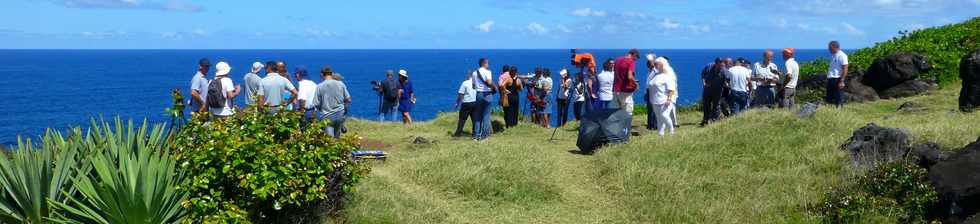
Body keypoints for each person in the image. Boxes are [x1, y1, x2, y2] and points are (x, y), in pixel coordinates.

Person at [311, 66, 351, 139]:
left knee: (330, 140)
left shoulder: (320, 86)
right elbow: (348, 99)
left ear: (322, 74)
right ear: (332, 74)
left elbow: (315, 104)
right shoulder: (340, 84)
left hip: (327, 115)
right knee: (337, 138)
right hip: (340, 114)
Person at [648, 57, 677, 136]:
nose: (655, 65)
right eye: (655, 64)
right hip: (654, 100)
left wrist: (669, 99)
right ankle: (661, 133)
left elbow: (671, 89)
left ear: (662, 65)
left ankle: (671, 131)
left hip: (664, 100)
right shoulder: (655, 75)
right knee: (658, 118)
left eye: (657, 64)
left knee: (664, 115)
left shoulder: (667, 76)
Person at [471, 58, 495, 141]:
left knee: (478, 116)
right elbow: (489, 82)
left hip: (479, 94)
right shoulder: (488, 72)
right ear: (484, 63)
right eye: (487, 63)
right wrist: (494, 86)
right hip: (487, 94)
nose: (488, 64)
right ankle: (484, 137)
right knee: (486, 115)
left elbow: (473, 86)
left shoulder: (474, 73)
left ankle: (475, 136)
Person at [613, 49, 640, 116]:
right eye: (636, 58)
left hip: (616, 90)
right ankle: (626, 126)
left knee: (617, 111)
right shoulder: (630, 62)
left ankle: (618, 126)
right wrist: (636, 84)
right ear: (634, 55)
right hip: (625, 90)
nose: (635, 60)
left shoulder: (617, 60)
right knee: (628, 111)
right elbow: (630, 77)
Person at [700, 58, 726, 126]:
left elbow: (727, 80)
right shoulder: (709, 66)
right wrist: (704, 83)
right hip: (707, 90)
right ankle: (705, 120)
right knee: (706, 105)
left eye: (721, 65)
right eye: (719, 65)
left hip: (717, 91)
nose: (720, 67)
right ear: (715, 63)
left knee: (716, 105)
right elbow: (702, 75)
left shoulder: (723, 70)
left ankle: (715, 120)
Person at [454, 71, 477, 136]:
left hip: (466, 103)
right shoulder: (476, 83)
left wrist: (457, 103)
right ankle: (475, 133)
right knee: (475, 119)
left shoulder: (465, 83)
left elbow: (461, 94)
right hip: (475, 103)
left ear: (469, 76)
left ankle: (458, 133)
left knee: (462, 119)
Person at [827, 41, 849, 107]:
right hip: (831, 78)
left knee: (838, 96)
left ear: (834, 47)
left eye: (830, 48)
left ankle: (840, 110)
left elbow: (845, 68)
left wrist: (842, 81)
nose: (829, 50)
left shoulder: (842, 55)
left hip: (837, 78)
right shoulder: (834, 55)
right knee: (831, 96)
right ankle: (833, 110)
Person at [644, 53, 659, 130]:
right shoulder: (650, 71)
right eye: (648, 62)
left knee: (653, 108)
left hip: (653, 91)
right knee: (649, 109)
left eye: (649, 62)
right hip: (648, 91)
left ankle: (654, 125)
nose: (648, 63)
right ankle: (650, 124)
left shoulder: (656, 71)